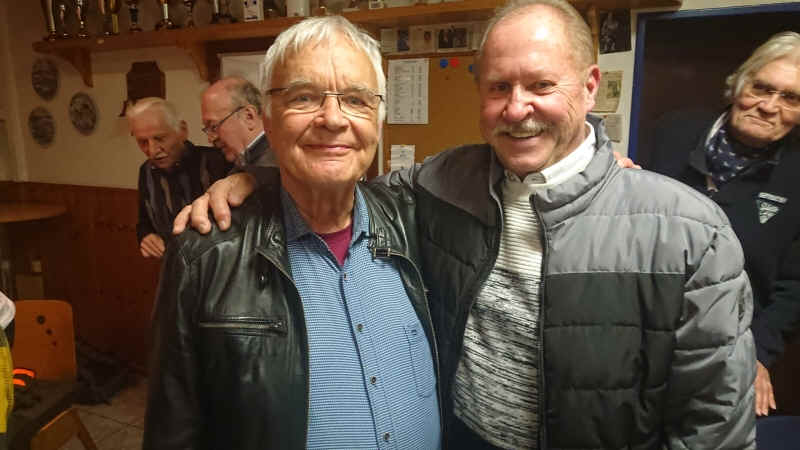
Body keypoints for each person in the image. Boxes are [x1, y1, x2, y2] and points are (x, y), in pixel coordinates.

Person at [179, 1, 756, 447]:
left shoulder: (688, 231)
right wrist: (256, 179)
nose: (517, 107)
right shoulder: (444, 183)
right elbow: (335, 174)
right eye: (499, 87)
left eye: (541, 85)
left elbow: (714, 424)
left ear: (589, 88)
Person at [143, 16, 440, 450]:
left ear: (378, 119)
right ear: (267, 117)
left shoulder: (413, 225)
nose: (333, 119)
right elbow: (173, 432)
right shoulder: (203, 256)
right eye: (304, 97)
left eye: (356, 99)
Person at [649, 31, 800, 418]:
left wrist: (758, 353)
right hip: (641, 331)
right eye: (761, 88)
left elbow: (794, 286)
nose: (768, 106)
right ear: (738, 84)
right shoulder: (673, 132)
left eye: (790, 98)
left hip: (728, 347)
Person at [127, 97, 231, 258]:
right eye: (142, 142)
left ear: (182, 130)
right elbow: (144, 222)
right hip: (172, 266)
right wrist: (146, 236)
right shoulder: (146, 171)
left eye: (159, 138)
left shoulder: (217, 161)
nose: (152, 150)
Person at [201, 76, 276, 169]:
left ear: (249, 116)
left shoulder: (273, 166)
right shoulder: (242, 161)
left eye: (213, 126)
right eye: (207, 129)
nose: (210, 139)